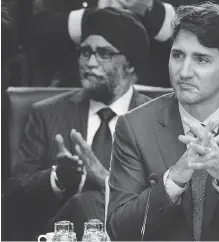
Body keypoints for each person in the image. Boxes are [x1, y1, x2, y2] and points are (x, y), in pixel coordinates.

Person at [106, 2, 219, 241]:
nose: (184, 72)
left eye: (201, 60)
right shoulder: (134, 126)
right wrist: (174, 179)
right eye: (178, 55)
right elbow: (119, 231)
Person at [4, 8, 152, 240]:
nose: (90, 63)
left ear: (130, 65)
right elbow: (14, 195)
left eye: (104, 54)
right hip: (59, 234)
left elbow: (169, 198)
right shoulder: (47, 113)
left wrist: (106, 181)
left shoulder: (156, 118)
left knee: (92, 202)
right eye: (85, 52)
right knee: (86, 205)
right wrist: (57, 177)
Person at [29, 0, 175, 87]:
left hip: (153, 86)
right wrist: (97, 17)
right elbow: (38, 27)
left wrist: (150, 8)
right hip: (78, 85)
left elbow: (192, 24)